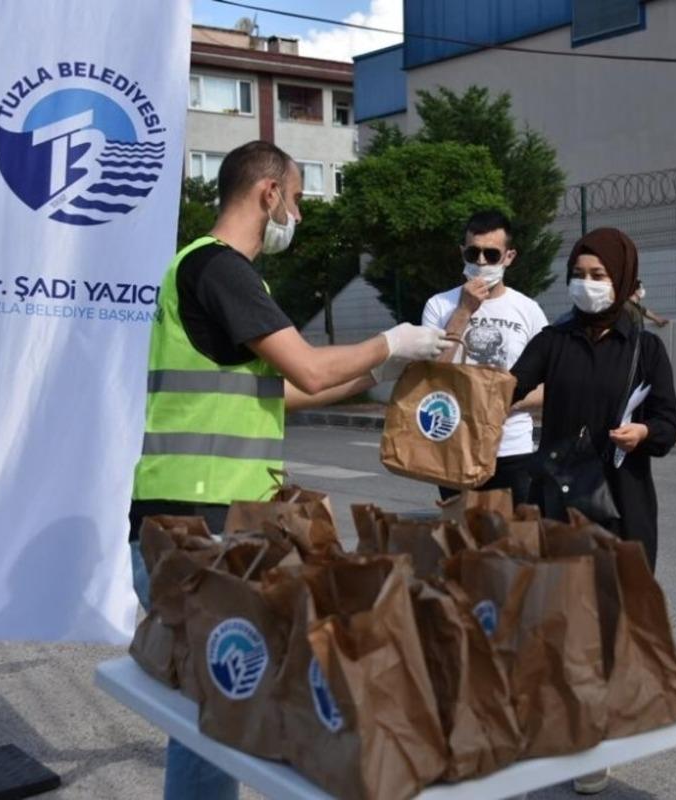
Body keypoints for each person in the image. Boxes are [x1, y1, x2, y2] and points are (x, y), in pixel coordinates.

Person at [127, 140, 447, 800]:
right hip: (200, 525)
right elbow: (304, 365)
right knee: (216, 715)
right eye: (297, 198)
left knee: (215, 706)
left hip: (195, 523)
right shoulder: (222, 269)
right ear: (268, 192)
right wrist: (393, 339)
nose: (296, 215)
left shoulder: (206, 272)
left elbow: (290, 391)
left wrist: (378, 367)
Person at [511, 227, 676, 795]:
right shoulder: (554, 339)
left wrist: (644, 432)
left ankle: (593, 740)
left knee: (608, 624)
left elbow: (670, 421)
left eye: (598, 275)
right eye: (578, 274)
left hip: (622, 502)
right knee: (559, 617)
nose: (586, 285)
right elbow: (506, 388)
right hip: (557, 496)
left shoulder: (644, 348)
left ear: (622, 280)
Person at [422, 210, 548, 505]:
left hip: (512, 449)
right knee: (462, 544)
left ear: (508, 257)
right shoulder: (439, 306)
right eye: (472, 253)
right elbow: (429, 376)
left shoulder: (528, 310)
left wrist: (498, 400)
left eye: (491, 254)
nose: (480, 262)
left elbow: (551, 385)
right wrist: (464, 311)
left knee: (515, 544)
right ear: (461, 253)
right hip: (455, 447)